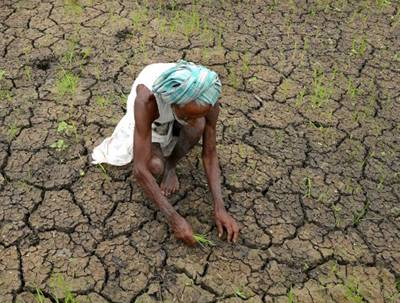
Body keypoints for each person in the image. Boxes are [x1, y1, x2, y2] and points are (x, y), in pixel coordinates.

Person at [91, 60, 239, 246]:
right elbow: (139, 170)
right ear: (173, 104)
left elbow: (210, 153)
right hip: (155, 118)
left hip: (177, 108)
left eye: (196, 114)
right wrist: (175, 219)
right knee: (153, 166)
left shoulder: (209, 98)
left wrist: (220, 208)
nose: (190, 120)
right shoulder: (147, 100)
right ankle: (164, 160)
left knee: (198, 126)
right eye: (186, 115)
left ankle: (171, 166)